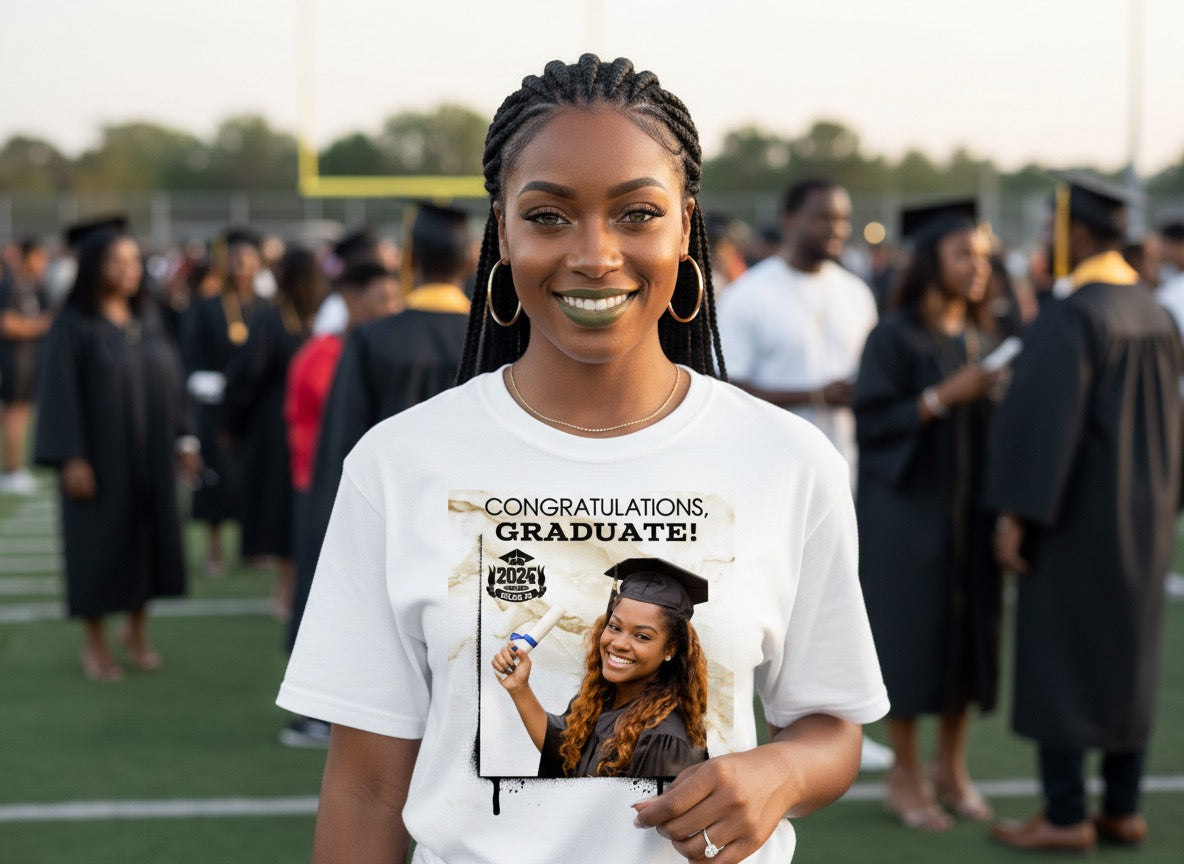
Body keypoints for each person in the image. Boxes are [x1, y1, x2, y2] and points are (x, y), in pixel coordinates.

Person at [278, 54, 887, 864]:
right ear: (502, 230)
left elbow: (830, 725)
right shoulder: (399, 464)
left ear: (684, 225)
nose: (596, 254)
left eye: (636, 213)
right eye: (550, 216)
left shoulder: (786, 460)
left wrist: (781, 769)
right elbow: (367, 788)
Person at [985, 171, 1183, 852]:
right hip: (1147, 518)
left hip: (1074, 523)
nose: (1046, 239)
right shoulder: (1154, 313)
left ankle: (1065, 815)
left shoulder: (1074, 315)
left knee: (1061, 659)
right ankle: (1123, 809)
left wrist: (1016, 513)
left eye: (1052, 227)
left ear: (1083, 232)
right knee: (1130, 658)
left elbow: (1047, 426)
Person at [853, 200, 1005, 831]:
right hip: (908, 517)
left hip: (970, 514)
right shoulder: (895, 337)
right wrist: (942, 398)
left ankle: (952, 767)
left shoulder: (985, 338)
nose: (977, 267)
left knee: (967, 639)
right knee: (912, 644)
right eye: (962, 255)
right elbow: (872, 422)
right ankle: (906, 773)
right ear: (931, 263)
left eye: (983, 256)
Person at [286, 202, 473, 661]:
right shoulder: (498, 338)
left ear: (408, 261)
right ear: (471, 258)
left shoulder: (374, 340)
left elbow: (341, 452)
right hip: (475, 527)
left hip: (392, 527)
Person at [33, 225, 198, 681]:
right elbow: (59, 395)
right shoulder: (73, 326)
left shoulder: (149, 319)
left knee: (148, 540)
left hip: (152, 456)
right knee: (98, 547)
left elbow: (173, 382)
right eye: (116, 262)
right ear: (93, 268)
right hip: (99, 459)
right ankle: (96, 642)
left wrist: (185, 439)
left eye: (133, 261)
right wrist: (71, 457)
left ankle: (137, 631)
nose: (129, 270)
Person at [278, 260, 402, 748]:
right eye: (383, 300)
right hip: (326, 484)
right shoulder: (328, 353)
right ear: (353, 300)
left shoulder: (368, 348)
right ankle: (318, 713)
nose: (393, 309)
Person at [716, 177, 879, 483]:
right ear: (790, 220)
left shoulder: (857, 292)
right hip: (769, 472)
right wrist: (816, 395)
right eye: (824, 218)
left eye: (843, 219)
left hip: (844, 471)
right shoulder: (747, 294)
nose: (837, 229)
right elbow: (727, 389)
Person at [493, 558, 710, 779]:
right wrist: (519, 688)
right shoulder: (601, 699)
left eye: (642, 636)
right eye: (614, 627)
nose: (619, 643)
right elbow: (563, 752)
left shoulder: (664, 738)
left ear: (670, 649)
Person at [223, 244, 322, 617]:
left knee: (283, 504)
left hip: (277, 427)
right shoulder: (319, 317)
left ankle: (287, 587)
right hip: (309, 425)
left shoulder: (272, 318)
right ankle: (291, 586)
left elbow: (247, 374)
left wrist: (232, 422)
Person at [179, 226, 262, 575]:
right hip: (216, 406)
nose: (241, 265)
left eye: (247, 259)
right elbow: (189, 354)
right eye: (235, 259)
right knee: (215, 478)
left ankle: (254, 547)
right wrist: (210, 380)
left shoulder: (267, 308)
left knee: (255, 476)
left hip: (255, 406)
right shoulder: (205, 307)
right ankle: (215, 550)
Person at [0, 236, 54, 494]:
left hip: (27, 357)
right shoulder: (11, 285)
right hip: (13, 358)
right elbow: (7, 324)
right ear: (26, 256)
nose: (42, 263)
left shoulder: (32, 285)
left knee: (20, 414)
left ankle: (13, 468)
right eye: (38, 257)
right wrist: (38, 326)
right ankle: (11, 470)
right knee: (15, 414)